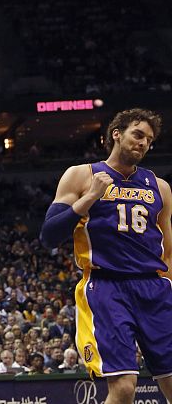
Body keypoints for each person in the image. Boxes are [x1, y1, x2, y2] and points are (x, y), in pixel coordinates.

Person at [40, 108, 172, 404]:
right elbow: (48, 236)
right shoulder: (81, 175)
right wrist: (90, 197)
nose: (143, 143)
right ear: (117, 134)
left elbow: (169, 251)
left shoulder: (160, 187)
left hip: (154, 288)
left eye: (149, 140)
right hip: (107, 287)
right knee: (124, 389)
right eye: (137, 135)